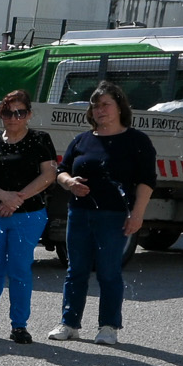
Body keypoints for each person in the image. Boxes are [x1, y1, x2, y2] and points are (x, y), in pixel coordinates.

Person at [49, 81, 155, 346]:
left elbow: (146, 181)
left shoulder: (136, 141)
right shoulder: (82, 140)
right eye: (95, 106)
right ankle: (69, 323)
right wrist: (69, 183)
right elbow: (60, 170)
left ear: (120, 107)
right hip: (80, 213)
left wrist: (138, 215)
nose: (100, 110)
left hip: (114, 215)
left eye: (106, 104)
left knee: (108, 271)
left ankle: (108, 326)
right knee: (76, 270)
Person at [0, 89, 57, 344]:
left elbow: (48, 175)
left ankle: (19, 326)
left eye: (20, 112)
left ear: (28, 114)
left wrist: (17, 199)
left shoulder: (40, 140)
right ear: (0, 114)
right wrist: (3, 196)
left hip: (28, 215)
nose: (13, 117)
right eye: (8, 112)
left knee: (19, 269)